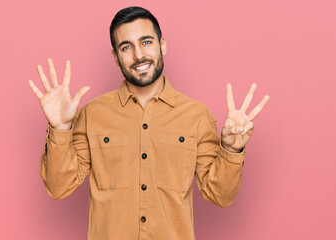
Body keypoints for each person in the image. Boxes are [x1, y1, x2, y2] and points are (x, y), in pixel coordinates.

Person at [28, 6, 270, 240]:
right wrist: (60, 129)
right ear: (115, 56)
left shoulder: (196, 115)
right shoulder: (92, 115)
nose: (139, 55)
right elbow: (59, 187)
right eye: (126, 47)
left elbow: (220, 195)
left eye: (146, 42)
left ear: (162, 44)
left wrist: (231, 150)